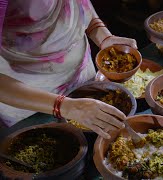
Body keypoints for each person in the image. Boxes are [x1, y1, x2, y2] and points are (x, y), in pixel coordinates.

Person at [0, 0, 137, 139]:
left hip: (82, 76)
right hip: (32, 100)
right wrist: (68, 107)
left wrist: (102, 35)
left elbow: (77, 4)